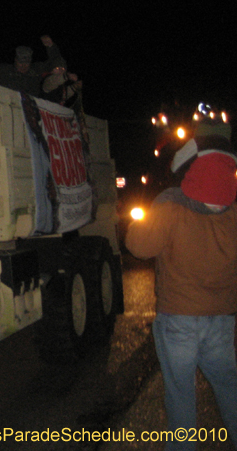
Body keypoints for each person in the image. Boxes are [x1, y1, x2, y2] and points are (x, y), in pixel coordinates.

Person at [125, 137, 237, 449]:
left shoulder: (172, 207)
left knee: (180, 393)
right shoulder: (233, 215)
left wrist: (149, 215)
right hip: (223, 321)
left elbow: (138, 245)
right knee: (229, 386)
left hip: (179, 322)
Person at [0, 32, 67, 97]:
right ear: (15, 60)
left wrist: (51, 46)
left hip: (31, 112)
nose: (23, 66)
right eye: (20, 63)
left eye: (26, 63)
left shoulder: (36, 70)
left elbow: (55, 61)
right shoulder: (6, 72)